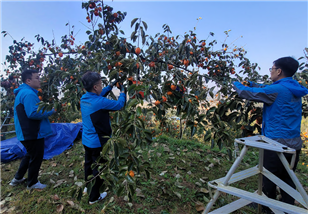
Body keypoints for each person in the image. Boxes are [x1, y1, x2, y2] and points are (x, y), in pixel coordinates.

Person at [233, 57, 308, 210]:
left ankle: (267, 207)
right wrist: (256, 84)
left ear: (279, 71)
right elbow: (268, 88)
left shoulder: (276, 90)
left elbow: (248, 93)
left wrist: (236, 84)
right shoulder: (293, 88)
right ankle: (288, 207)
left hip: (276, 142)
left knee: (268, 174)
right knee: (288, 176)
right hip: (293, 142)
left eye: (272, 69)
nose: (271, 72)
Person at [81, 71, 126, 205]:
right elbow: (119, 105)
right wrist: (122, 92)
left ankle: (87, 186)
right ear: (95, 87)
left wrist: (110, 86)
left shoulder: (85, 98)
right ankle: (94, 197)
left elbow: (100, 94)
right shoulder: (100, 103)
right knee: (99, 169)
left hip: (87, 140)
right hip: (98, 142)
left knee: (88, 164)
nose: (102, 86)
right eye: (101, 84)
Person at [9, 69, 56, 190]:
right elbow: (33, 113)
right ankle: (32, 183)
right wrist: (50, 111)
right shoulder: (29, 94)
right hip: (32, 132)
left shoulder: (24, 92)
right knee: (36, 157)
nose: (39, 80)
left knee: (30, 155)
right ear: (28, 80)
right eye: (37, 78)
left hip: (26, 132)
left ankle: (18, 178)